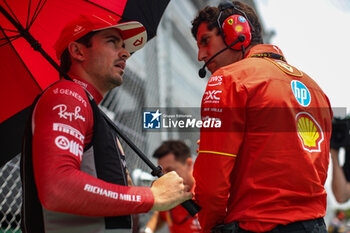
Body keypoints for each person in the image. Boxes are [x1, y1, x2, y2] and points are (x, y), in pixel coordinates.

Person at [20, 14, 192, 233]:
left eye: (124, 46)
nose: (125, 53)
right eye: (112, 42)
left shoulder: (90, 107)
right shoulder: (67, 95)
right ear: (78, 51)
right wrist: (150, 196)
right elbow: (58, 187)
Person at [191, 1, 333, 233]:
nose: (200, 55)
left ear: (236, 32)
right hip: (316, 225)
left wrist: (211, 226)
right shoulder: (317, 90)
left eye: (205, 41)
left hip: (257, 225)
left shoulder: (228, 79)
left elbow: (211, 184)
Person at [141, 140, 201, 233]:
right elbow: (160, 215)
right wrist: (148, 230)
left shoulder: (207, 193)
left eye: (170, 170)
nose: (165, 178)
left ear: (189, 164)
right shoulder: (172, 192)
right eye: (161, 172)